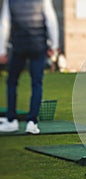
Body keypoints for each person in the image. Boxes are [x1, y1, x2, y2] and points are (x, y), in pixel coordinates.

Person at [0, 0, 59, 134]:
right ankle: (32, 122)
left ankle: (11, 121)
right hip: (38, 46)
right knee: (37, 83)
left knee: (12, 82)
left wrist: (2, 50)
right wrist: (54, 46)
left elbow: (4, 25)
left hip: (18, 47)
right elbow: (51, 22)